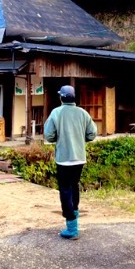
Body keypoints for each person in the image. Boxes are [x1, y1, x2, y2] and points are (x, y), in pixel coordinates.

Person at [44, 84, 97, 240]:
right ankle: (74, 211)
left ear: (61, 97)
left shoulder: (56, 113)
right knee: (74, 186)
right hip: (79, 158)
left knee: (65, 189)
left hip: (64, 159)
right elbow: (92, 133)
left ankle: (72, 227)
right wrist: (82, 138)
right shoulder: (83, 113)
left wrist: (57, 138)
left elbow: (49, 135)